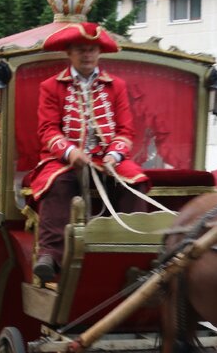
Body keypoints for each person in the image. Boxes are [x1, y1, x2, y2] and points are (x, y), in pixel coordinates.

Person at [24, 22, 149, 283]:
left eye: (92, 50)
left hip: (107, 159)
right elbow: (47, 131)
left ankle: (133, 249)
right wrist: (70, 152)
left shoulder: (116, 86)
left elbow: (126, 132)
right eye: (81, 50)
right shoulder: (51, 86)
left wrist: (114, 156)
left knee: (135, 182)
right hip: (65, 160)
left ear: (99, 53)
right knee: (58, 183)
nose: (88, 55)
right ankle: (50, 255)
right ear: (69, 53)